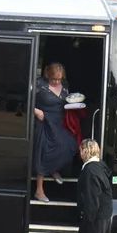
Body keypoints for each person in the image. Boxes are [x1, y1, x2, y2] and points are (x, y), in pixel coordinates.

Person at [32, 63, 76, 202]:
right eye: (54, 79)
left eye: (59, 79)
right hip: (43, 121)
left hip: (59, 122)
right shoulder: (39, 84)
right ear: (48, 75)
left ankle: (53, 168)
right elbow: (26, 100)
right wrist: (34, 110)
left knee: (70, 144)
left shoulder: (65, 86)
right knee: (44, 149)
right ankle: (39, 190)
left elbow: (67, 102)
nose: (57, 82)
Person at [74, 139, 112, 233]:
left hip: (96, 216)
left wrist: (88, 218)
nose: (79, 153)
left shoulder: (90, 171)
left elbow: (92, 198)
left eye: (81, 150)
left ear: (85, 151)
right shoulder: (99, 166)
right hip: (101, 214)